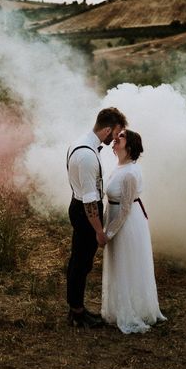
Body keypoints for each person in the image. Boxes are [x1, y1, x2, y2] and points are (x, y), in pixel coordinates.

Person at [66, 107, 128, 328]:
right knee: (81, 263)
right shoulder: (86, 155)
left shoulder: (82, 143)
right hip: (85, 211)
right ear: (108, 129)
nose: (116, 139)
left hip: (79, 205)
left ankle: (76, 309)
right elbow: (90, 202)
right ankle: (77, 313)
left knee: (78, 261)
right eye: (117, 133)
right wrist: (99, 231)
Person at [102, 129, 166, 334]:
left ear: (129, 146)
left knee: (126, 264)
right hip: (115, 220)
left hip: (127, 224)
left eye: (120, 137)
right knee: (118, 264)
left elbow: (126, 208)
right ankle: (119, 307)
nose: (114, 139)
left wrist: (108, 233)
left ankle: (132, 310)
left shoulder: (130, 172)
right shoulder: (119, 167)